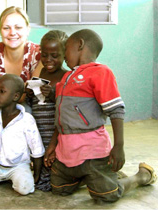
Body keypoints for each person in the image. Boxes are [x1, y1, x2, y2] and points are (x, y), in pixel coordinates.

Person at [44, 29, 157, 203]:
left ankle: (140, 176)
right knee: (59, 189)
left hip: (92, 152)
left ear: (80, 45)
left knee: (107, 195)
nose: (64, 54)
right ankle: (92, 176)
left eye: (66, 48)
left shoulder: (100, 73)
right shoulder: (66, 77)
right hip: (66, 152)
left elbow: (116, 109)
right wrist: (53, 144)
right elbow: (63, 113)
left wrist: (118, 146)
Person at [0, 6, 43, 136]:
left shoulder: (38, 53)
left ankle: (26, 153)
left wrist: (1, 95)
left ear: (27, 29)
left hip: (31, 104)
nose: (12, 33)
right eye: (6, 28)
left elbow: (27, 94)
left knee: (25, 113)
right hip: (2, 104)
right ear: (0, 31)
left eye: (18, 27)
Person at [26, 30, 68, 192]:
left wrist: (53, 94)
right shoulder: (41, 73)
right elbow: (36, 104)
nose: (48, 60)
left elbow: (66, 107)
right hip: (39, 131)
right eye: (44, 55)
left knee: (53, 175)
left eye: (54, 55)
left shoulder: (66, 77)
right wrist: (30, 94)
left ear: (65, 55)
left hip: (54, 134)